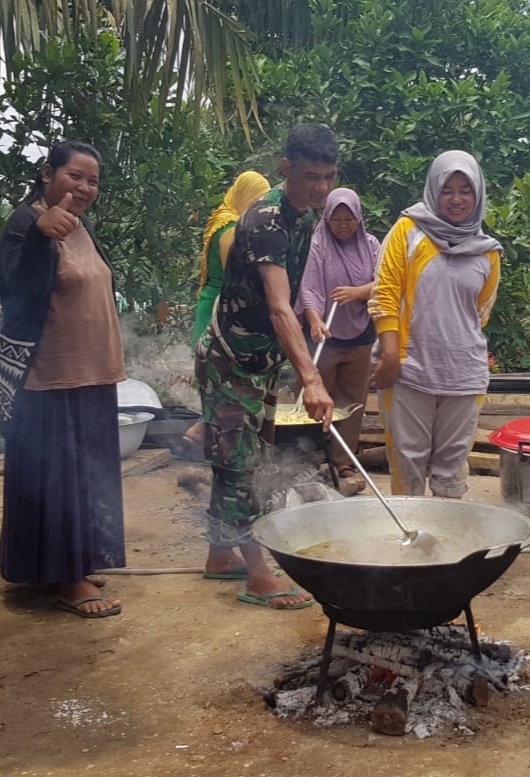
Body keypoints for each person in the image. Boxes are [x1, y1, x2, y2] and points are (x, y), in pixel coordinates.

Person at [194, 123, 339, 609]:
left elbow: (291, 300)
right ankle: (258, 576)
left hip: (258, 361)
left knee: (234, 458)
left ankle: (220, 554)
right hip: (230, 361)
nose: (321, 187)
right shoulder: (266, 221)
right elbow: (279, 307)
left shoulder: (305, 216)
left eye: (329, 176)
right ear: (286, 167)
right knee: (241, 466)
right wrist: (311, 379)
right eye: (311, 176)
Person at [0, 141, 127, 618]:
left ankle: (75, 565)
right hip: (50, 374)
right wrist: (37, 238)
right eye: (75, 176)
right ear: (48, 173)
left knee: (89, 475)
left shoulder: (80, 225)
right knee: (63, 479)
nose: (85, 187)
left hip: (93, 371)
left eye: (93, 181)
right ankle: (71, 583)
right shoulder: (25, 223)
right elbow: (13, 291)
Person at [369, 150, 501, 499]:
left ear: (478, 195)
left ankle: (447, 531)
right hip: (409, 371)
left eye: (465, 191)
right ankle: (410, 533)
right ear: (433, 190)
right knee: (407, 463)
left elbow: (480, 312)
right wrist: (391, 357)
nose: (456, 199)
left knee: (452, 468)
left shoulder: (488, 251)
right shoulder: (408, 231)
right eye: (447, 190)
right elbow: (384, 293)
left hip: (463, 375)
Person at [295, 187, 381, 494]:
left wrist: (358, 293)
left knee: (352, 401)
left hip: (361, 335)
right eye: (337, 219)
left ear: (359, 218)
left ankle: (344, 461)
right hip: (324, 337)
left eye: (349, 219)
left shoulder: (371, 245)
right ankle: (306, 460)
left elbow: (384, 283)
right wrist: (314, 320)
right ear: (327, 219)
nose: (343, 226)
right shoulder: (316, 245)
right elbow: (309, 287)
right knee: (316, 399)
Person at [184, 171, 272, 449]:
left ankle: (208, 436)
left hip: (212, 301)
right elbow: (236, 277)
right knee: (225, 377)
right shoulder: (231, 229)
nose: (260, 207)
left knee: (217, 378)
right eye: (257, 200)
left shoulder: (222, 218)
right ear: (245, 195)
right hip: (221, 309)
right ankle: (207, 435)